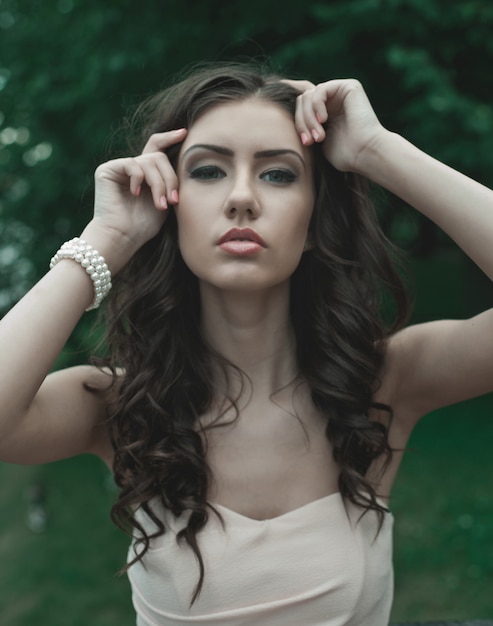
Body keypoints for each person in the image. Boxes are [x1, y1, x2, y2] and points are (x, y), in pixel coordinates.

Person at [0, 62, 492, 625]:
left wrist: (378, 150)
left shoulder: (383, 383)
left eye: (278, 175)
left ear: (311, 225)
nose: (241, 198)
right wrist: (106, 240)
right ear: (171, 204)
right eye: (207, 171)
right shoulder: (121, 407)